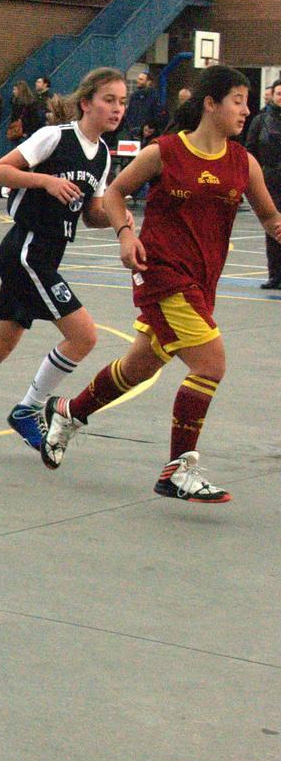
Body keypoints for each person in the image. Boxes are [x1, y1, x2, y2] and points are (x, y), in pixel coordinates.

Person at [39, 65, 281, 502]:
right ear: (211, 104)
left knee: (139, 367)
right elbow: (113, 193)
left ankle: (68, 412)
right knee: (210, 365)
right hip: (162, 273)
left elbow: (269, 217)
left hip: (203, 281)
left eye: (248, 101)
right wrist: (126, 234)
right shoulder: (165, 152)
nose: (246, 110)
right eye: (238, 101)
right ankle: (179, 468)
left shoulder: (243, 162)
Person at [0, 67, 126, 451]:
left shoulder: (101, 155)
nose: (117, 109)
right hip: (27, 252)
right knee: (83, 336)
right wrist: (45, 180)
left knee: (0, 344)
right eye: (109, 100)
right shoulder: (54, 137)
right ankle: (28, 409)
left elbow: (92, 213)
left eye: (122, 102)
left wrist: (118, 216)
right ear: (86, 103)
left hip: (44, 254)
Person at [246, 79, 281, 287]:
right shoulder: (261, 120)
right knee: (274, 228)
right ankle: (275, 275)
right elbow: (250, 149)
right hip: (269, 180)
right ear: (273, 95)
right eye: (278, 93)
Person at [124, 71, 163, 138]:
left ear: (149, 82)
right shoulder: (134, 96)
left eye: (141, 79)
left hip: (146, 135)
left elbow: (156, 116)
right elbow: (129, 113)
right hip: (131, 133)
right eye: (138, 78)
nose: (138, 81)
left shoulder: (155, 97)